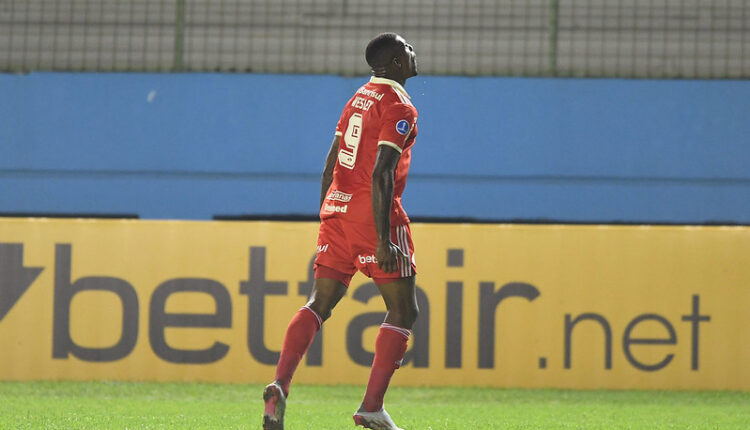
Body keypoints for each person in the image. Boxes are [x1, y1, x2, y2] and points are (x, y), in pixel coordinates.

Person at [262, 32, 420, 430]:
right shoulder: (399, 106)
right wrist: (383, 239)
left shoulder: (358, 97)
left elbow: (332, 158)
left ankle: (280, 383)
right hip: (373, 215)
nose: (414, 54)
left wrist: (326, 213)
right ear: (398, 62)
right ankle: (371, 407)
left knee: (320, 302)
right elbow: (383, 171)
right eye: (408, 49)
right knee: (404, 309)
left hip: (337, 209)